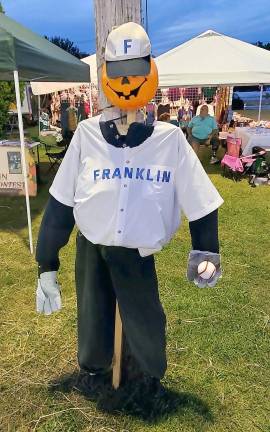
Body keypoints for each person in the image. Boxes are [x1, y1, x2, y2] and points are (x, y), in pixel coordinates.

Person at [35, 22, 223, 399]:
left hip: (137, 253)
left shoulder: (169, 140)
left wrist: (206, 249)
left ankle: (146, 378)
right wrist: (47, 263)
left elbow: (200, 199)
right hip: (93, 247)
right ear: (106, 75)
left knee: (144, 318)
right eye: (119, 73)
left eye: (135, 71)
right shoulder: (86, 136)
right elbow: (60, 204)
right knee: (93, 316)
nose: (127, 82)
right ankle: (94, 371)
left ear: (150, 70)